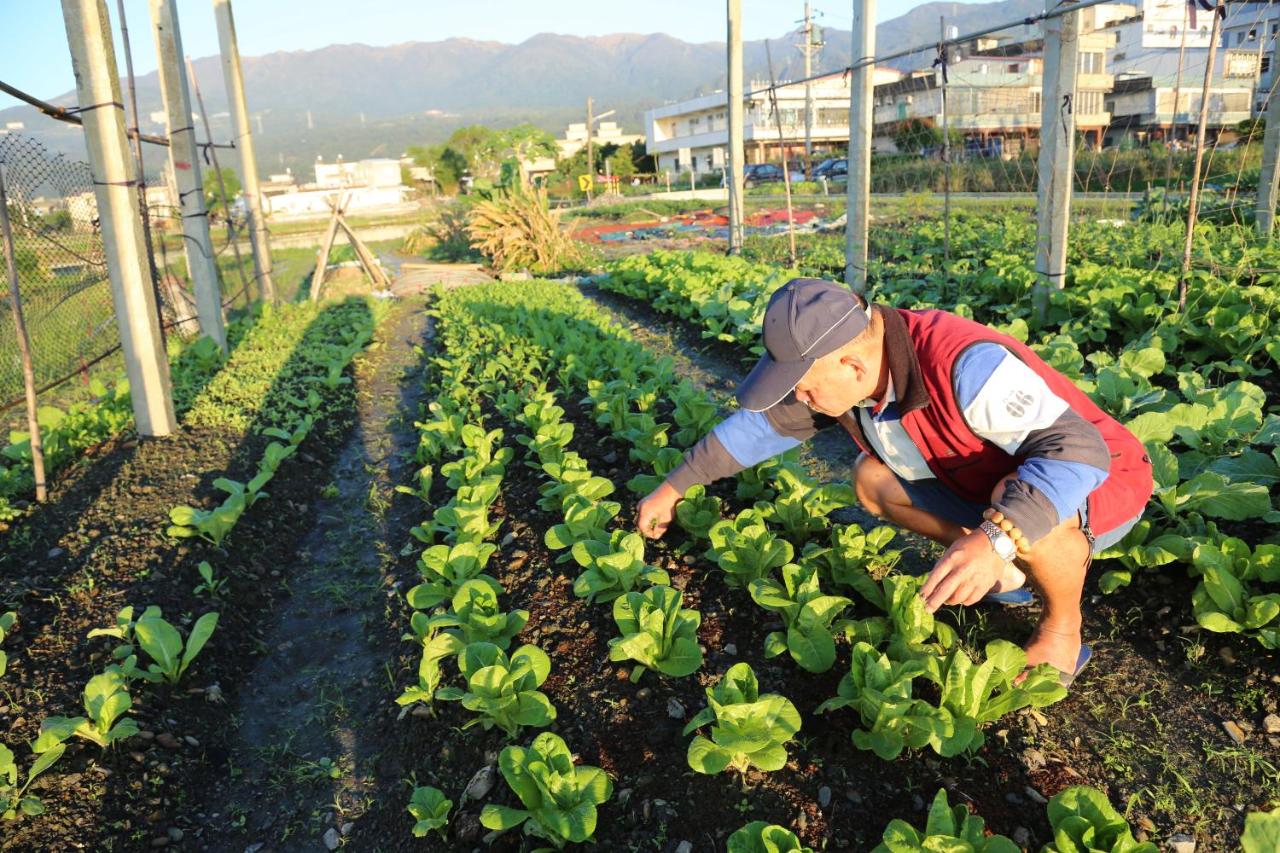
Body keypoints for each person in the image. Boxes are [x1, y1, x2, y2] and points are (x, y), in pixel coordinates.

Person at [636, 278, 1154, 685]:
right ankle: (1005, 573)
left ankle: (1063, 631)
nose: (805, 400)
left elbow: (1075, 452)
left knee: (1022, 506)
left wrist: (995, 536)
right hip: (985, 475)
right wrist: (676, 485)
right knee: (872, 479)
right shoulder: (849, 372)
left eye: (808, 389)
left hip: (1098, 479)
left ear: (853, 365)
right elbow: (759, 427)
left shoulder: (964, 363)